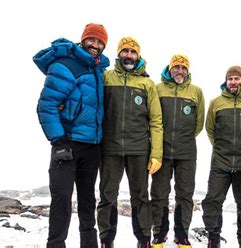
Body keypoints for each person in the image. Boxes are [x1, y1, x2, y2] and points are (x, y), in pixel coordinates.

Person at [33, 23, 109, 248]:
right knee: (62, 200)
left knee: (87, 201)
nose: (95, 45)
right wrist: (58, 141)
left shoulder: (97, 69)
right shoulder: (66, 64)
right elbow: (46, 105)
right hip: (67, 144)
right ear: (83, 39)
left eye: (100, 42)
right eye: (92, 40)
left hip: (91, 146)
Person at [97, 36, 163, 248]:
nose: (129, 55)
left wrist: (156, 154)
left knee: (141, 197)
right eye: (125, 51)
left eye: (133, 52)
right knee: (107, 196)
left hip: (139, 149)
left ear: (139, 56)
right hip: (110, 148)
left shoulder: (146, 84)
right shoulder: (106, 77)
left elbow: (156, 121)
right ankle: (106, 240)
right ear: (118, 54)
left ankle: (144, 240)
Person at [151, 54, 205, 247]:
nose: (180, 71)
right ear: (170, 68)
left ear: (188, 70)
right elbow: (152, 118)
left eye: (183, 68)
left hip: (187, 152)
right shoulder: (157, 89)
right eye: (176, 67)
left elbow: (199, 124)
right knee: (159, 192)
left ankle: (181, 234)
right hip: (161, 151)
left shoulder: (196, 92)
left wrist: (183, 139)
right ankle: (159, 232)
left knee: (185, 194)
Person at [202, 66, 241, 248]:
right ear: (226, 81)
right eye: (230, 79)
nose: (233, 82)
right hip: (220, 163)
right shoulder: (216, 102)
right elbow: (210, 129)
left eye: (237, 78)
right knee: (212, 201)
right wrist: (221, 147)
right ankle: (213, 239)